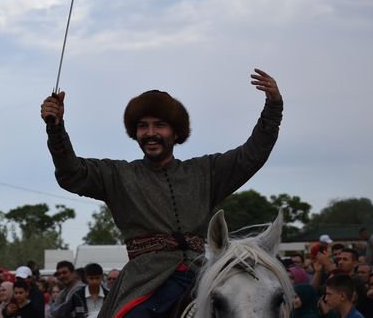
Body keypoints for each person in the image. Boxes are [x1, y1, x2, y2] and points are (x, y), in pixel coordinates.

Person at [41, 69, 283, 317]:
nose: (150, 133)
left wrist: (273, 107)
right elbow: (72, 172)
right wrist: (56, 129)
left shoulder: (206, 171)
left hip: (202, 275)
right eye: (143, 126)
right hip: (144, 284)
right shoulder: (117, 175)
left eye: (160, 125)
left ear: (176, 133)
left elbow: (251, 155)